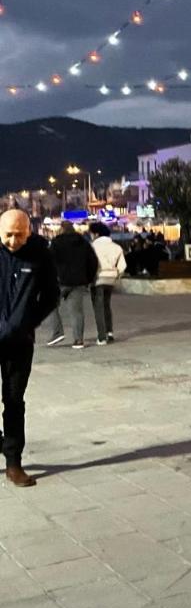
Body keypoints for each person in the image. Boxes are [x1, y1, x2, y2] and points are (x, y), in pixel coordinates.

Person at [0, 209, 60, 487]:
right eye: (8, 235)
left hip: (19, 344)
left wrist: (27, 322)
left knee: (13, 403)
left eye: (19, 235)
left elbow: (51, 296)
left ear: (29, 231)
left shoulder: (39, 255)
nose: (13, 240)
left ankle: (14, 463)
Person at [46, 220, 98, 349]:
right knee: (77, 312)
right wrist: (88, 278)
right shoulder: (83, 243)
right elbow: (93, 262)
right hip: (78, 281)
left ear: (62, 229)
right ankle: (78, 340)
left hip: (60, 281)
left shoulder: (56, 243)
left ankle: (57, 332)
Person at [89, 222, 126, 345]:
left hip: (98, 278)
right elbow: (122, 266)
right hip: (111, 278)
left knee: (98, 307)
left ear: (96, 234)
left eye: (92, 233)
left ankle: (101, 336)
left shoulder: (92, 247)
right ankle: (109, 332)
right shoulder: (116, 247)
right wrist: (117, 275)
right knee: (106, 305)